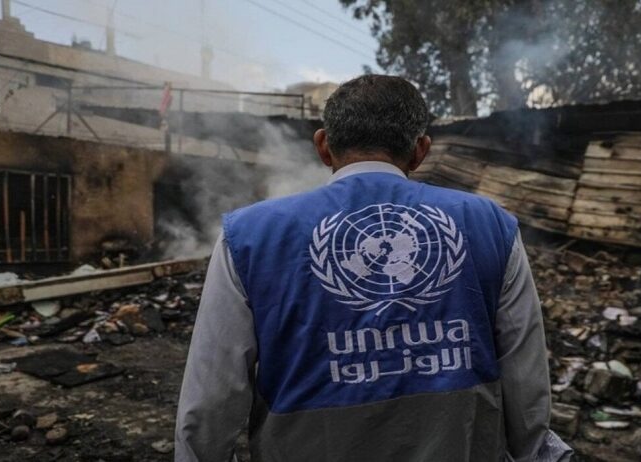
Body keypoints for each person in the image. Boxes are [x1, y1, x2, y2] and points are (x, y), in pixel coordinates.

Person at [175, 75, 573, 462]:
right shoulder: (491, 224)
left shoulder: (248, 236)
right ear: (420, 150)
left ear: (323, 146)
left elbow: (210, 401)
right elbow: (526, 383)